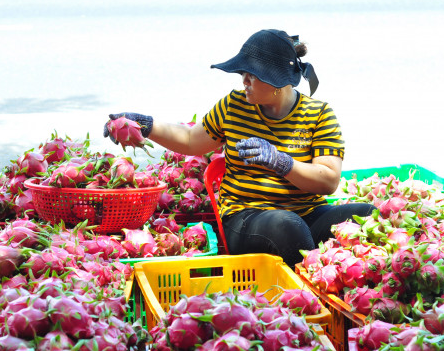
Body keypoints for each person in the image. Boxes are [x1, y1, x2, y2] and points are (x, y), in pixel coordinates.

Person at [104, 29, 375, 267]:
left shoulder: (319, 114)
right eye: (243, 73)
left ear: (278, 82)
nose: (243, 80)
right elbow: (189, 139)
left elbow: (328, 181)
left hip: (306, 213)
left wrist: (282, 162)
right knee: (288, 227)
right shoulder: (234, 106)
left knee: (366, 215)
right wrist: (144, 123)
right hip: (247, 217)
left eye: (251, 75)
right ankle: (306, 299)